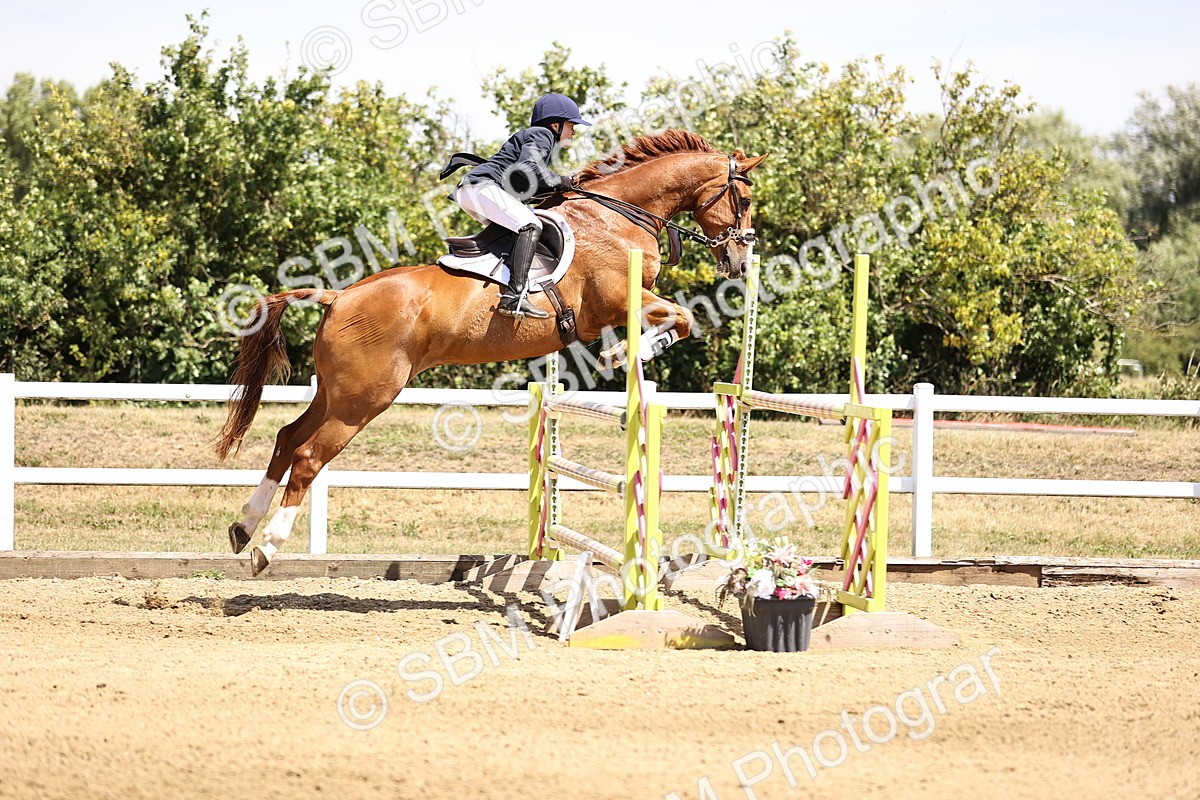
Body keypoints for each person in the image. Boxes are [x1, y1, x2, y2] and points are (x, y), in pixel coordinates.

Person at [452, 93, 590, 319]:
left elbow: (525, 183)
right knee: (530, 224)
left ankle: (499, 281)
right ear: (555, 124)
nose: (574, 131)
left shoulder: (539, 137)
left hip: (475, 191)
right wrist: (564, 181)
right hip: (481, 188)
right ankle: (514, 297)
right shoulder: (543, 134)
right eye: (571, 125)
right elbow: (530, 169)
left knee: (517, 228)